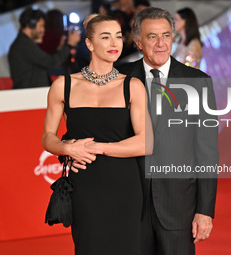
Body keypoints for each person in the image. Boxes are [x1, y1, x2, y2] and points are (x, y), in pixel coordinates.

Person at [42, 14, 153, 255]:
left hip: (125, 185)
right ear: (90, 44)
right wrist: (67, 148)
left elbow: (146, 142)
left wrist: (97, 147)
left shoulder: (132, 86)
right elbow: (48, 137)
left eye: (118, 37)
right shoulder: (64, 86)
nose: (114, 43)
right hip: (85, 186)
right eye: (106, 37)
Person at [118, 7, 218, 255]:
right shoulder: (118, 80)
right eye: (152, 36)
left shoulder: (198, 82)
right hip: (128, 209)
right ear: (138, 42)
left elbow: (207, 152)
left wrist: (205, 210)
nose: (161, 43)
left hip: (178, 208)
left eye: (166, 35)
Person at [8, 7, 81, 89]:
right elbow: (51, 63)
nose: (43, 30)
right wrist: (69, 45)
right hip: (29, 95)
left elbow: (45, 62)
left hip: (30, 94)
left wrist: (59, 49)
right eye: (41, 26)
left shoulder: (23, 43)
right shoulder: (23, 44)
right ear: (31, 24)